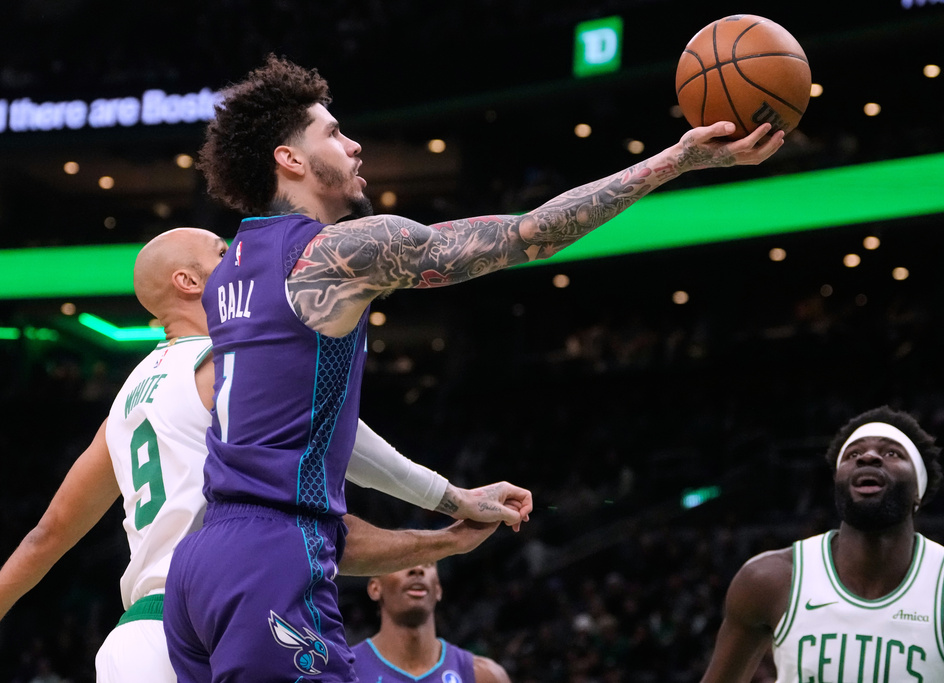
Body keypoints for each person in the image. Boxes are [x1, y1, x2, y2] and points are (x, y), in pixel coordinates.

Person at [162, 53, 784, 683]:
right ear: (289, 159)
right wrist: (676, 160)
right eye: (332, 132)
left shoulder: (230, 267)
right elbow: (527, 235)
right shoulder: (333, 255)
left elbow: (323, 437)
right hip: (270, 556)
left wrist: (450, 499)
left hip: (203, 561)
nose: (353, 146)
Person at [0, 227, 532, 682]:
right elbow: (346, 440)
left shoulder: (125, 403)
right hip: (222, 616)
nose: (237, 259)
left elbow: (44, 538)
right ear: (188, 283)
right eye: (219, 251)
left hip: (134, 638)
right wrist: (452, 497)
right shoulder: (227, 364)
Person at [698, 406, 944, 683]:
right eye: (853, 454)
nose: (868, 456)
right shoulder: (768, 579)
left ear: (917, 493)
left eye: (891, 453)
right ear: (839, 485)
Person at [351, 562, 511, 683]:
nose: (417, 569)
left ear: (438, 589)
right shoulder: (342, 672)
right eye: (401, 560)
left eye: (427, 563)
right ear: (375, 588)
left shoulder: (484, 675)